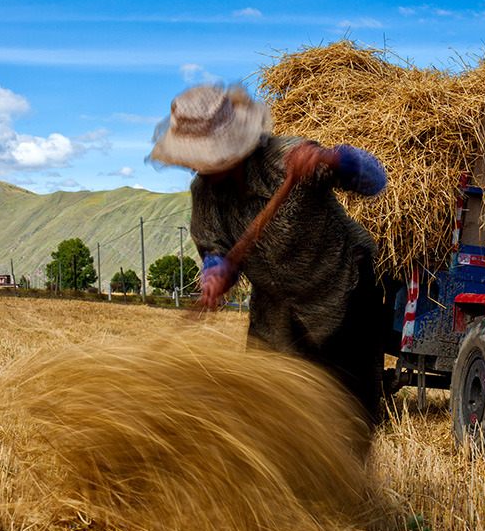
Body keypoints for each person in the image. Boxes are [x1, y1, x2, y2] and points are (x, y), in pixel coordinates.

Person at [149, 84, 388, 417]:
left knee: (344, 415)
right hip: (274, 315)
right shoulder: (204, 192)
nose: (195, 167)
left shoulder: (287, 159)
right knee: (266, 411)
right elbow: (214, 247)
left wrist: (331, 159)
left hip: (340, 295)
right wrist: (216, 274)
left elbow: (377, 180)